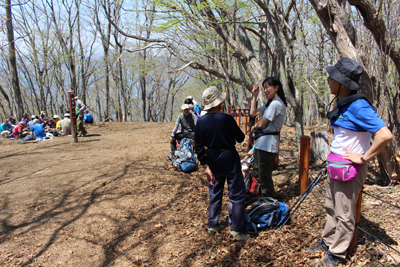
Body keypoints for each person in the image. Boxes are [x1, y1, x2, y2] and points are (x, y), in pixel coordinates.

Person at [307, 58, 392, 267]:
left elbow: (384, 135)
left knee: (344, 213)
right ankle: (327, 242)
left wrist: (363, 158)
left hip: (349, 169)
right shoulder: (343, 103)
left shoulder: (358, 106)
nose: (328, 82)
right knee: (331, 206)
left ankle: (337, 254)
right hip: (336, 164)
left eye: (331, 78)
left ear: (342, 83)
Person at [194, 86, 249, 241]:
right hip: (230, 158)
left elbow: (198, 146)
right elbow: (240, 138)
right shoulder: (227, 119)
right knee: (237, 195)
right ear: (219, 103)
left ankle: (212, 225)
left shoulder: (200, 122)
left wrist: (205, 166)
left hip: (212, 159)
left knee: (215, 193)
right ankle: (236, 230)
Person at [249, 77, 287, 198]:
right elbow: (253, 112)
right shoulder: (270, 104)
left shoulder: (276, 103)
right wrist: (254, 96)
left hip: (268, 144)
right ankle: (260, 198)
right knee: (257, 173)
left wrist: (254, 127)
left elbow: (263, 123)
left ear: (276, 88)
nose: (265, 90)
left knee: (264, 175)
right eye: (264, 88)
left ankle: (268, 202)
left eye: (267, 87)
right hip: (262, 143)